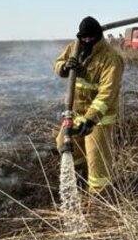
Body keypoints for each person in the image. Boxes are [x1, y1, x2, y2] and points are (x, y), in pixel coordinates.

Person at [53, 16, 124, 194]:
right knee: (64, 143)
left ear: (98, 37)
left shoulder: (111, 59)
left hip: (98, 119)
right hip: (76, 113)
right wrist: (64, 67)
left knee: (97, 163)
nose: (86, 42)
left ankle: (99, 198)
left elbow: (106, 95)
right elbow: (57, 63)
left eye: (90, 39)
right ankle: (79, 179)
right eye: (83, 38)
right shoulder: (74, 47)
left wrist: (90, 120)